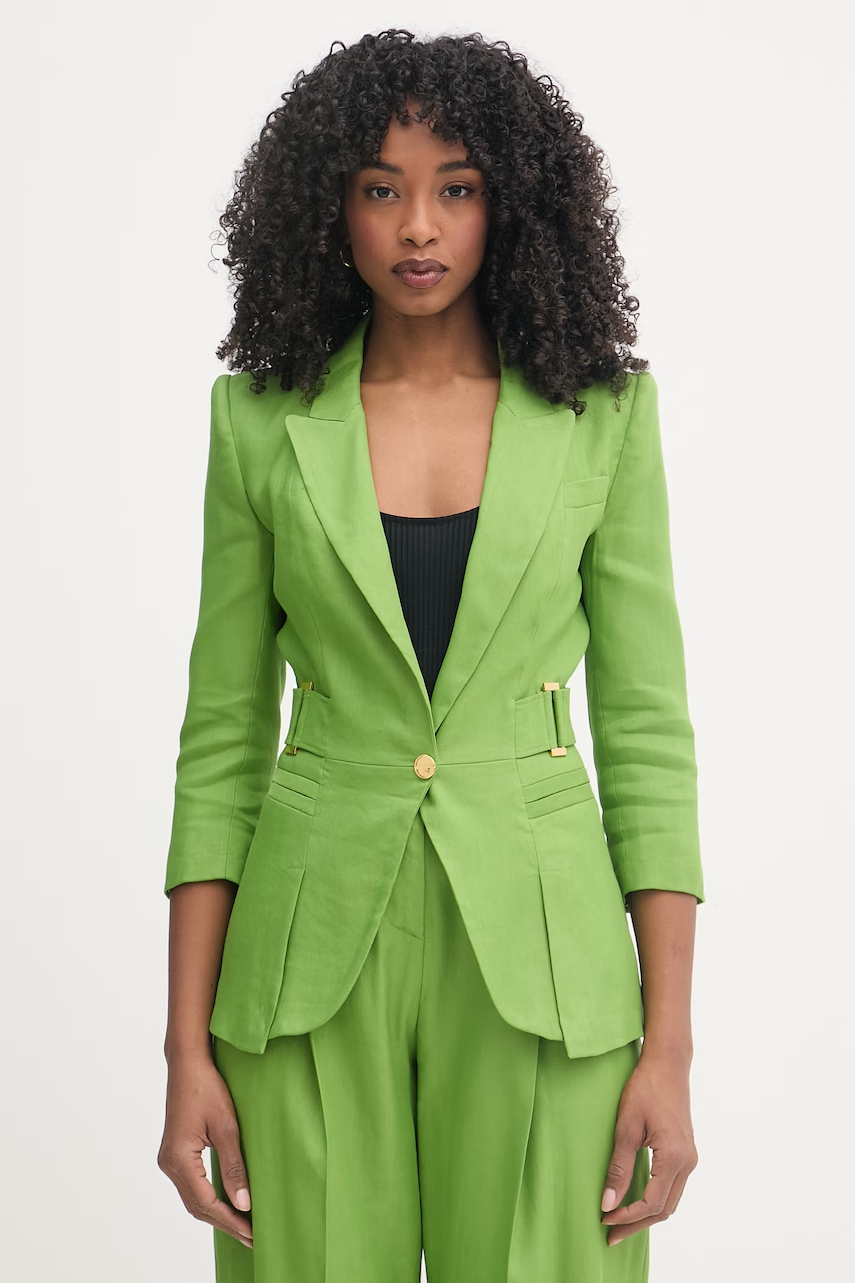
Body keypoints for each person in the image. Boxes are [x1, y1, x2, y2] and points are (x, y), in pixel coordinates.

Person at [157, 28, 705, 1283]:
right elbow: (222, 742)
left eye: (456, 186)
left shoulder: (605, 417)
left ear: (511, 203)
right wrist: (185, 1049)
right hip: (305, 959)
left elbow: (647, 736)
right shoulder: (257, 425)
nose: (418, 225)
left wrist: (670, 1049)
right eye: (380, 187)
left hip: (546, 959)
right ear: (328, 208)